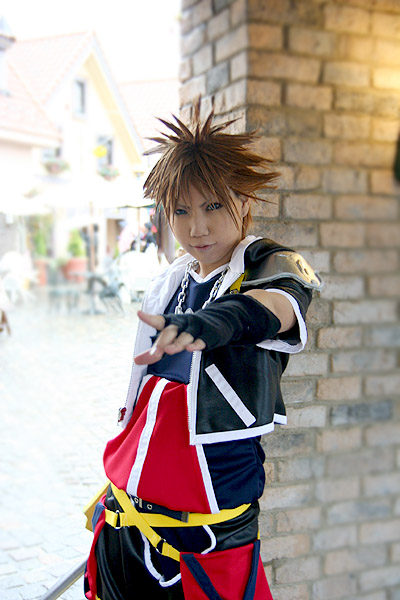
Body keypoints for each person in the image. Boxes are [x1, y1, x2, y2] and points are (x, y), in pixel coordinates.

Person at [84, 102, 323, 600]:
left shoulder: (269, 264)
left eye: (213, 206)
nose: (197, 227)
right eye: (181, 211)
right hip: (123, 520)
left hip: (205, 538)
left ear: (243, 200)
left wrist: (210, 323)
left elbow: (274, 308)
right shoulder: (170, 282)